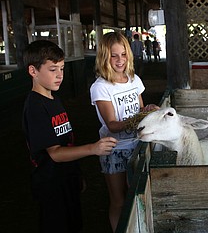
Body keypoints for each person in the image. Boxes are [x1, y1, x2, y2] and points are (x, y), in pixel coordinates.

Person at [22, 40, 118, 233]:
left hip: (66, 178)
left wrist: (76, 174)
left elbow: (65, 140)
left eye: (62, 68)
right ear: (33, 71)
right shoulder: (35, 107)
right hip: (51, 184)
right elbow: (55, 153)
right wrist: (93, 148)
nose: (59, 75)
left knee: (74, 224)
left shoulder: (53, 98)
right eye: (52, 69)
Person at [90, 32, 159, 232]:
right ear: (104, 57)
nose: (120, 60)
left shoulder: (134, 80)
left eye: (123, 54)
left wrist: (148, 111)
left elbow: (140, 108)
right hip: (114, 148)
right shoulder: (100, 87)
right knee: (119, 200)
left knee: (137, 194)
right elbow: (112, 124)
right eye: (114, 55)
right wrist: (140, 120)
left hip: (137, 145)